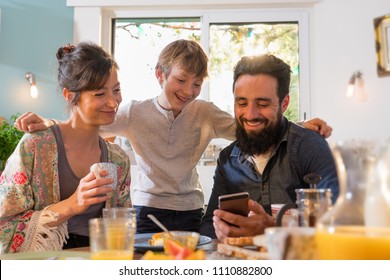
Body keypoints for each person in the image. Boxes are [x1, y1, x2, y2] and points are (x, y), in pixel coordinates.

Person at [14, 40, 332, 233]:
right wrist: (49, 121)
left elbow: (251, 124)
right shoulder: (133, 112)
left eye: (197, 84)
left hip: (192, 210)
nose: (188, 91)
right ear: (160, 75)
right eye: (181, 80)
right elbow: (88, 122)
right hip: (146, 210)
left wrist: (300, 127)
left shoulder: (205, 112)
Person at [0, 42, 131, 254]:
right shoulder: (34, 146)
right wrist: (72, 204)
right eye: (99, 94)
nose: (113, 103)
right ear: (69, 95)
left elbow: (122, 224)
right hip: (45, 264)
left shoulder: (118, 159)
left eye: (116, 90)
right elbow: (5, 223)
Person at [199, 54, 339, 241]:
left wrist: (272, 229)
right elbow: (209, 224)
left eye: (263, 104)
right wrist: (221, 232)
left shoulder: (309, 146)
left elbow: (339, 220)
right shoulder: (227, 160)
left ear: (285, 103)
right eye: (242, 103)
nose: (250, 114)